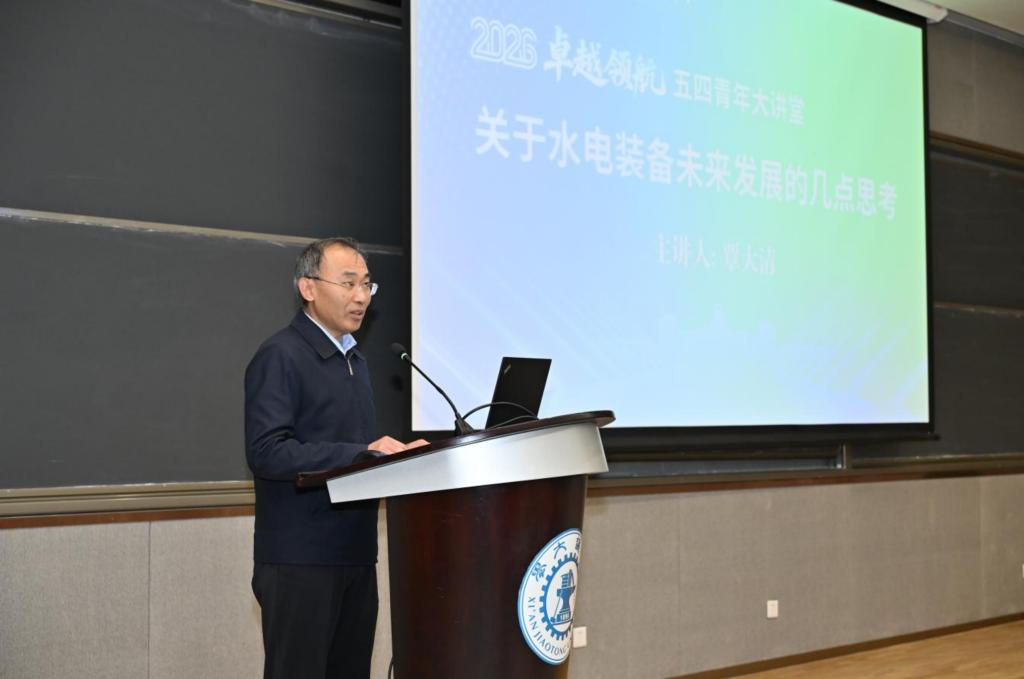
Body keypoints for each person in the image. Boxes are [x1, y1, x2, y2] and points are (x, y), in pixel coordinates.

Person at [245, 236, 423, 679]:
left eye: (367, 285)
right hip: (301, 560)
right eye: (348, 283)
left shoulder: (355, 360)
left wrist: (399, 461)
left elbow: (355, 455)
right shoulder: (281, 355)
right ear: (308, 287)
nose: (361, 296)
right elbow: (267, 451)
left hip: (355, 554)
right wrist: (362, 453)